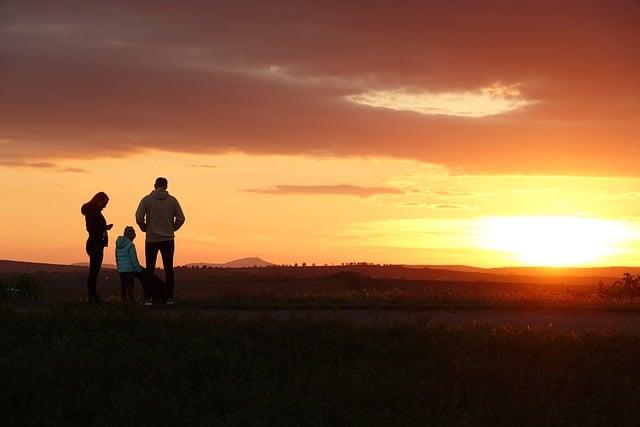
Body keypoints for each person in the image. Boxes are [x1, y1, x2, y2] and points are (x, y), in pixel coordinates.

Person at [135, 177, 185, 305]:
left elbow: (139, 217)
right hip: (168, 239)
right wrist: (173, 228)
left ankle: (148, 298)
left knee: (149, 269)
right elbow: (181, 218)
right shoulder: (173, 201)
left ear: (155, 185)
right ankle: (169, 298)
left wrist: (144, 227)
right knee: (169, 269)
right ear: (166, 186)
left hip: (151, 239)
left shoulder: (146, 200)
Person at [81, 192, 113, 303]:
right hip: (95, 244)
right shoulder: (93, 213)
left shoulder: (93, 212)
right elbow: (92, 229)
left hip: (96, 243)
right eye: (104, 203)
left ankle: (93, 296)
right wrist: (104, 228)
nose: (105, 206)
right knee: (94, 272)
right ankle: (92, 297)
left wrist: (104, 228)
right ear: (98, 201)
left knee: (94, 272)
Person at [115, 226, 145, 303]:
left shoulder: (118, 245)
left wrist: (119, 268)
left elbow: (117, 258)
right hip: (130, 269)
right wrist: (138, 268)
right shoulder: (131, 245)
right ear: (131, 235)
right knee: (130, 286)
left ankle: (123, 300)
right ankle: (131, 300)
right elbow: (133, 258)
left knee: (123, 285)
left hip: (121, 270)